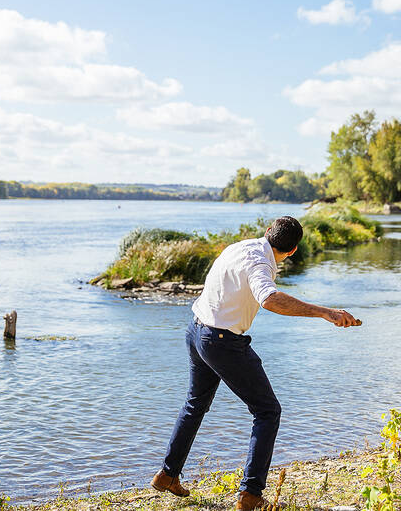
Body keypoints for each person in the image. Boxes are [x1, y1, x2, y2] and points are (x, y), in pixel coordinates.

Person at [150, 216, 361, 509]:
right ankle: (250, 494)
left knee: (195, 404)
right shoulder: (261, 265)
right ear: (293, 250)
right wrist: (325, 312)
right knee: (267, 411)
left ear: (267, 232)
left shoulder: (240, 247)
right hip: (221, 341)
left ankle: (167, 475)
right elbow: (269, 299)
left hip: (196, 329)